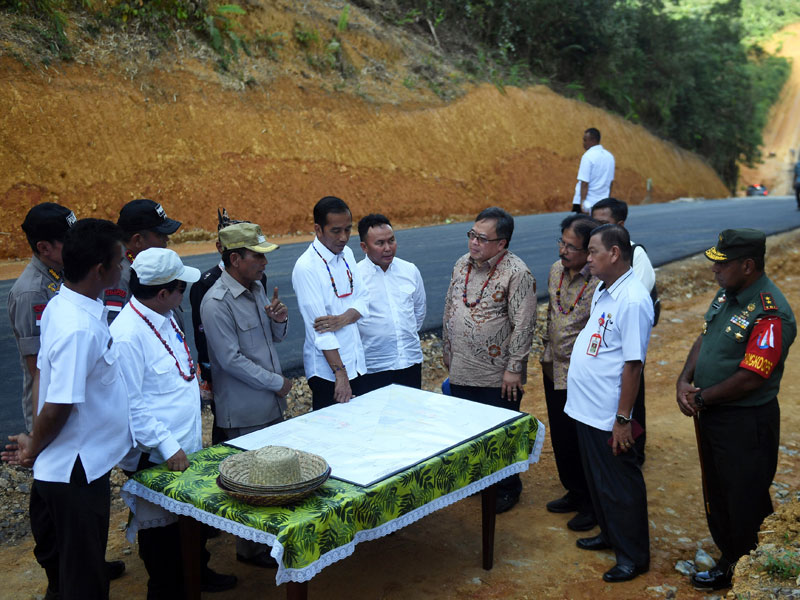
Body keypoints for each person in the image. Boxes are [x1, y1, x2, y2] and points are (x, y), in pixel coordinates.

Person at [2, 218, 135, 600]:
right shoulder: (80, 328)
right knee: (85, 581)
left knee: (69, 566)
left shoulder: (66, 303)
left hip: (72, 465)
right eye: (119, 260)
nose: (124, 267)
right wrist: (33, 447)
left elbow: (44, 377)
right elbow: (58, 405)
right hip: (76, 472)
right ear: (100, 270)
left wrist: (33, 444)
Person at [676, 229, 796, 591]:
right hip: (715, 413)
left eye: (721, 264)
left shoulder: (771, 312)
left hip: (746, 422)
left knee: (744, 497)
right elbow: (706, 336)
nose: (714, 270)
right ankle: (730, 557)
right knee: (720, 491)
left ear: (747, 265)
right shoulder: (728, 294)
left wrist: (702, 397)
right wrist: (685, 380)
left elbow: (752, 377)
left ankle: (745, 570)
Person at [200, 222, 292, 568]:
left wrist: (279, 320)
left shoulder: (255, 289)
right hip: (244, 409)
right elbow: (230, 360)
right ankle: (250, 549)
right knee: (252, 483)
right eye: (258, 256)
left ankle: (265, 543)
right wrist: (276, 382)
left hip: (267, 403)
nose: (264, 263)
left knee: (271, 476)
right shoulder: (216, 302)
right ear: (235, 258)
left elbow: (273, 340)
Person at [565, 223, 653, 583]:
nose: (588, 259)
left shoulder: (632, 299)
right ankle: (609, 534)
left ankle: (633, 556)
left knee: (620, 484)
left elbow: (633, 365)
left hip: (607, 413)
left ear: (614, 253)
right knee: (599, 482)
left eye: (593, 251)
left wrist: (622, 419)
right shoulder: (606, 288)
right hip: (587, 407)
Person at [442, 207, 537, 514]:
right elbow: (450, 306)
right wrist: (447, 349)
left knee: (499, 434)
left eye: (483, 238)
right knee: (468, 431)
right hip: (461, 367)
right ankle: (478, 482)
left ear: (502, 243)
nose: (474, 243)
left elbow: (524, 324)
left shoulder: (517, 272)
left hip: (497, 374)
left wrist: (514, 369)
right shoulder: (461, 264)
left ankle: (507, 488)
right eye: (472, 235)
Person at [540, 215, 601, 532]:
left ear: (589, 250)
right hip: (553, 369)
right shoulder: (555, 271)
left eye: (571, 246)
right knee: (562, 438)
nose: (563, 250)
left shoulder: (599, 283)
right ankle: (574, 492)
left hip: (582, 376)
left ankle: (592, 505)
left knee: (584, 442)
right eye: (561, 243)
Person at [189, 209, 263, 444]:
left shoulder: (258, 277)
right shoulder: (206, 284)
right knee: (226, 426)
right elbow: (202, 335)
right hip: (222, 369)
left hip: (253, 366)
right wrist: (207, 374)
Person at [591, 196, 656, 462]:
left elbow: (629, 306)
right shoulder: (594, 253)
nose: (594, 227)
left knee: (629, 400)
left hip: (622, 346)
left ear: (620, 225)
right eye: (591, 221)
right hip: (602, 347)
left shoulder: (636, 257)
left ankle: (633, 450)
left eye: (602, 223)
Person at [292, 196, 369, 409]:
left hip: (357, 365)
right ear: (318, 230)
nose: (344, 237)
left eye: (348, 229)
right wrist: (340, 375)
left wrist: (343, 319)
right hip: (330, 374)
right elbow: (321, 330)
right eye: (336, 231)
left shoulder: (348, 254)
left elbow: (364, 299)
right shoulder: (306, 267)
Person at [8, 202, 75, 433]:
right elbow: (38, 368)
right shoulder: (32, 293)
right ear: (44, 248)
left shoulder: (65, 272)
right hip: (51, 411)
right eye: (69, 241)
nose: (77, 245)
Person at [356, 214, 426, 392]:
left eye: (391, 240)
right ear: (364, 247)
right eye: (380, 243)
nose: (388, 248)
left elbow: (419, 311)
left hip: (410, 363)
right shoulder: (355, 277)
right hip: (373, 367)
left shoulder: (409, 270)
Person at [104, 199, 181, 322]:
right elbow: (113, 328)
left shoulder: (140, 265)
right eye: (160, 235)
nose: (166, 239)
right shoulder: (119, 276)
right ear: (138, 240)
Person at [572, 128, 615, 213]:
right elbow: (610, 183)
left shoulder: (588, 156)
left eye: (585, 140)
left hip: (588, 203)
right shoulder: (610, 157)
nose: (583, 143)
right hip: (603, 202)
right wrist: (607, 200)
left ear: (593, 140)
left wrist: (583, 202)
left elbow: (584, 182)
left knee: (581, 225)